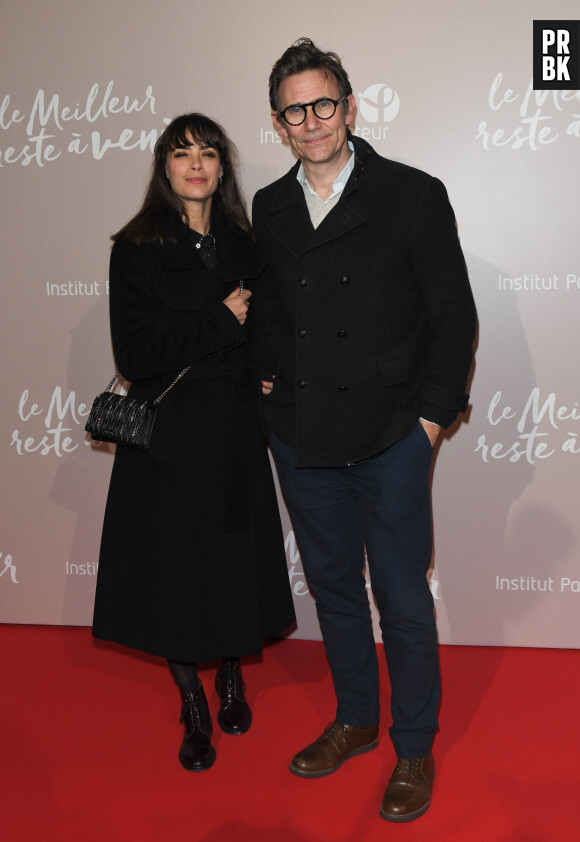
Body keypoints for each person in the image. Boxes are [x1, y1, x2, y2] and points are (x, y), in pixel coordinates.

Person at [252, 39, 477, 821]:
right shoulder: (271, 207)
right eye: (294, 110)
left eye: (323, 104)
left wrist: (429, 420)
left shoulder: (413, 195)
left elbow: (453, 318)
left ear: (349, 107)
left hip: (391, 432)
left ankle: (412, 745)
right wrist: (267, 382)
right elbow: (274, 311)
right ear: (277, 124)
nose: (310, 121)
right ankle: (355, 719)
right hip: (304, 432)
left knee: (402, 596)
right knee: (336, 589)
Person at [92, 113, 296, 772]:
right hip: (170, 441)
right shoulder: (138, 246)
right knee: (176, 575)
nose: (197, 165)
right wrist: (216, 322)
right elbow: (136, 353)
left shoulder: (244, 242)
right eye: (183, 154)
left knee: (232, 565)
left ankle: (231, 676)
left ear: (222, 166)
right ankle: (193, 704)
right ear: (164, 167)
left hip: (236, 432)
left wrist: (267, 374)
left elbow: (270, 330)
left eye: (208, 153)